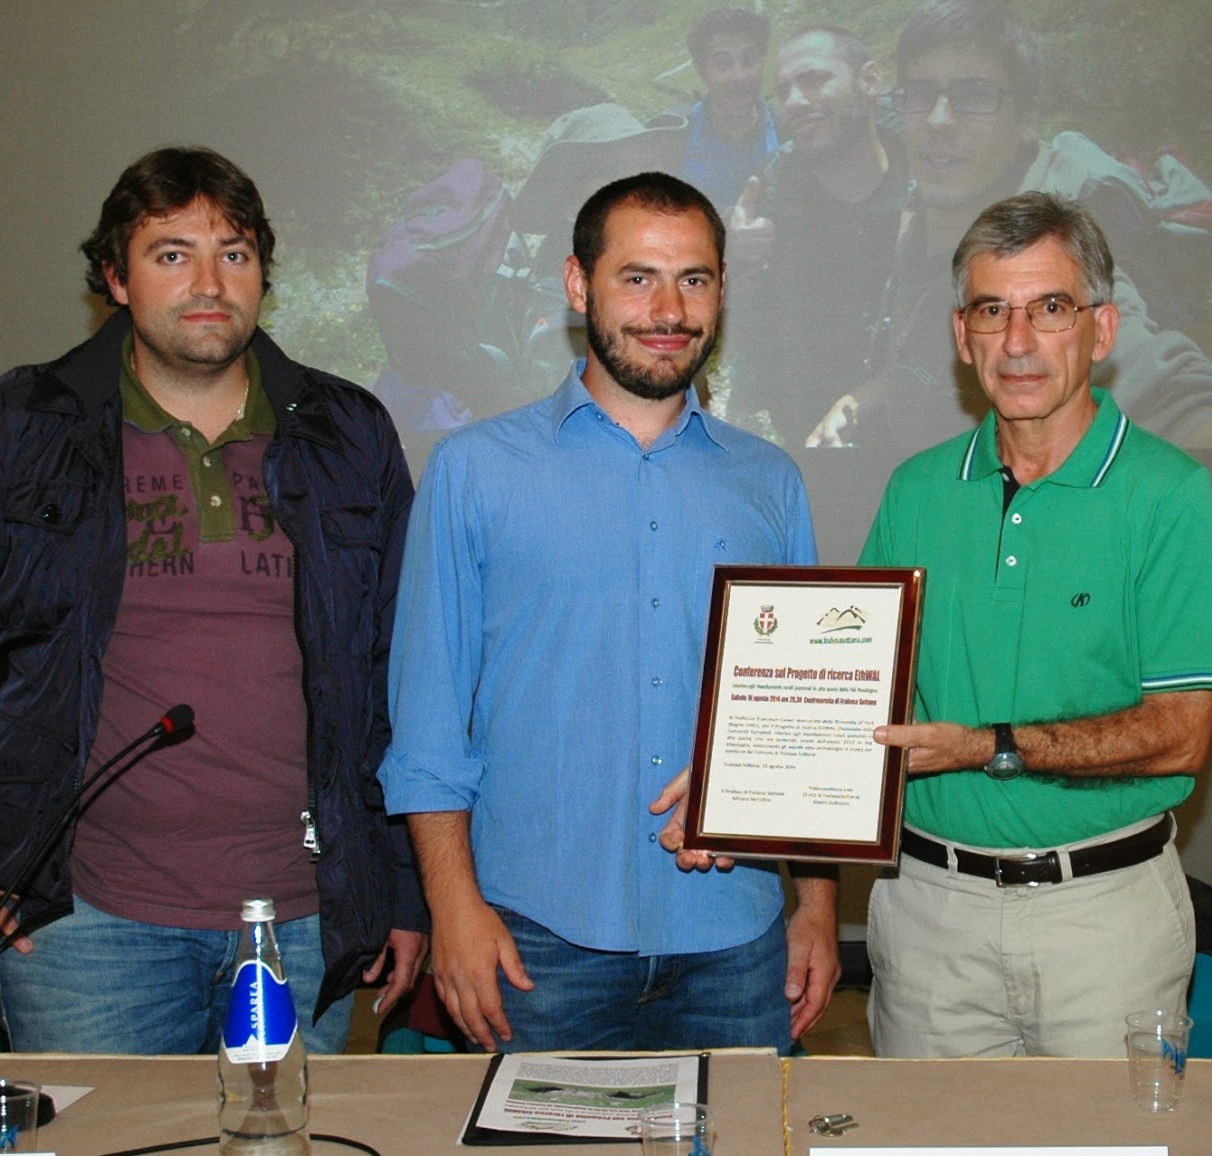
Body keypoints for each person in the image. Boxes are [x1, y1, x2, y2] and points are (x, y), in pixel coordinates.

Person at [0, 146, 428, 1055]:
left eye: (234, 251)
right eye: (171, 253)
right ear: (114, 278)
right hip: (87, 931)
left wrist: (403, 890)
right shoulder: (24, 426)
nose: (210, 281)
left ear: (264, 272)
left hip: (305, 922)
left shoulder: (349, 432)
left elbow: (406, 674)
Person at [379, 172, 840, 1055]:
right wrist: (453, 908)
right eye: (638, 277)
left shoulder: (770, 480)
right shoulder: (474, 470)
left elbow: (804, 717)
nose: (669, 308)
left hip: (735, 944)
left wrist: (816, 906)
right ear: (577, 285)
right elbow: (428, 727)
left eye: (695, 279)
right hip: (534, 944)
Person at [858, 190, 1212, 1057]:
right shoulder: (914, 491)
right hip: (927, 920)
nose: (1018, 342)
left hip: (1104, 923)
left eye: (1050, 309)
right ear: (963, 337)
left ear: (1101, 331)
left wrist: (986, 744)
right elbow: (850, 687)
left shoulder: (1167, 492)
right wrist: (743, 776)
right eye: (993, 310)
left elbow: (1180, 736)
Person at [808, 0, 1212, 451]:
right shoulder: (926, 212)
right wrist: (857, 402)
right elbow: (920, 353)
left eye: (975, 96)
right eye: (921, 95)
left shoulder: (1049, 258)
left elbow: (1169, 404)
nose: (939, 119)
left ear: (1028, 118)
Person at [723, 24, 907, 447]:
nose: (795, 102)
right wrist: (728, 254)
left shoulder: (928, 183)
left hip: (923, 437)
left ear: (870, 80)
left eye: (814, 80)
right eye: (783, 91)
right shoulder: (773, 194)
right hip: (808, 443)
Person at [678, 6, 779, 212]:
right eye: (723, 64)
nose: (739, 76)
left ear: (762, 61)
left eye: (749, 59)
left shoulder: (788, 127)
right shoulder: (676, 134)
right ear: (701, 70)